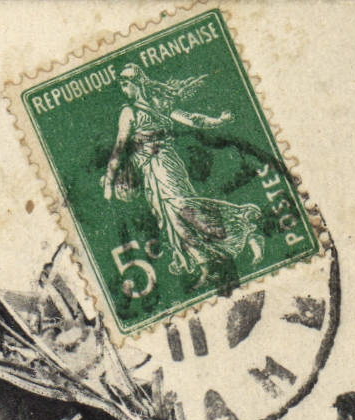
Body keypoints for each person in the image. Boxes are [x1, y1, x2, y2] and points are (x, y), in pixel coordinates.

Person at [102, 63, 263, 289]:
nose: (123, 88)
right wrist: (110, 179)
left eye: (125, 83)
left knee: (183, 207)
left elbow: (191, 119)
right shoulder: (128, 112)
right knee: (171, 219)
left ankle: (243, 225)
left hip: (167, 165)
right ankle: (205, 266)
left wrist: (218, 121)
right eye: (121, 84)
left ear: (137, 83)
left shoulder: (155, 105)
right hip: (149, 172)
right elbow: (119, 147)